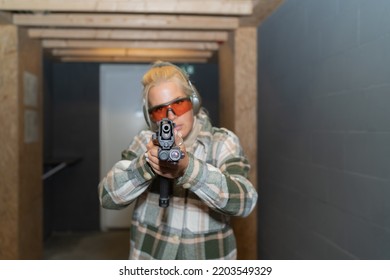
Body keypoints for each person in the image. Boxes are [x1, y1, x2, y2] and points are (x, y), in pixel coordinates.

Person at [98, 61, 258, 260]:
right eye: (159, 110)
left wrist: (189, 169)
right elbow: (107, 196)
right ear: (151, 119)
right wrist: (146, 166)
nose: (171, 116)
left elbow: (245, 202)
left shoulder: (222, 142)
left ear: (194, 102)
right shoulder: (143, 142)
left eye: (179, 104)